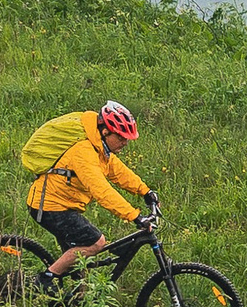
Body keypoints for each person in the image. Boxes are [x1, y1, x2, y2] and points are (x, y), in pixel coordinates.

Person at [26, 100, 153, 281]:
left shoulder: (100, 147)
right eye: (121, 137)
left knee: (81, 268)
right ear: (106, 131)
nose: (125, 142)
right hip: (48, 206)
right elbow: (101, 190)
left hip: (65, 205)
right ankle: (44, 280)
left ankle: (77, 297)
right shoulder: (84, 152)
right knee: (95, 243)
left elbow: (118, 171)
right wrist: (134, 216)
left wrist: (145, 192)